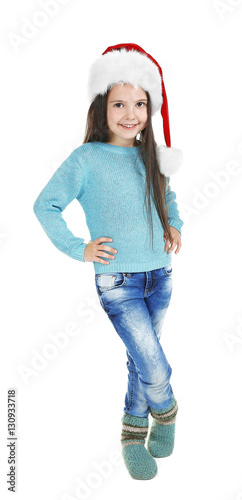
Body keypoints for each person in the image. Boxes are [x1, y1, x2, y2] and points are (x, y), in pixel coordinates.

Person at [33, 43, 184, 480]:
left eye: (140, 103)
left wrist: (174, 224)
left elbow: (168, 198)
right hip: (117, 280)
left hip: (161, 272)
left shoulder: (152, 158)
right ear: (102, 108)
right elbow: (45, 205)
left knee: (141, 359)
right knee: (153, 363)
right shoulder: (86, 159)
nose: (130, 113)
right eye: (119, 103)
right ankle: (168, 411)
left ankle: (132, 431)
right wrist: (79, 247)